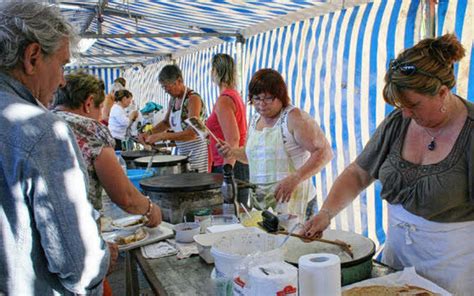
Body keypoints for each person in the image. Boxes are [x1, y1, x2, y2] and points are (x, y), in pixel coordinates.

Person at [302, 34, 474, 294]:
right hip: (397, 261)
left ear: (442, 92)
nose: (406, 113)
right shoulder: (399, 121)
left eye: (413, 105)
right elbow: (358, 173)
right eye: (401, 105)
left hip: (453, 271)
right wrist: (326, 213)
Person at [0, 2, 110, 294]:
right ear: (33, 57)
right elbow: (80, 265)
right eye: (62, 64)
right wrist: (104, 259)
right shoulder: (42, 131)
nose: (62, 79)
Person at [218, 69, 332, 222]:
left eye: (268, 99)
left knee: (296, 245)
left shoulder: (294, 118)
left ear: (280, 96)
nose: (261, 104)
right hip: (263, 206)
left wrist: (296, 178)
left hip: (296, 204)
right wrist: (232, 152)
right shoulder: (254, 121)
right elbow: (251, 156)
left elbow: (324, 152)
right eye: (256, 98)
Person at [52, 72, 162, 228]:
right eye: (101, 107)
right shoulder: (91, 129)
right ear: (89, 103)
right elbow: (125, 197)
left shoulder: (41, 121)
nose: (101, 115)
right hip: (79, 229)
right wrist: (151, 209)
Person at [139, 64, 208, 172]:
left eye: (167, 86)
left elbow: (192, 134)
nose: (165, 90)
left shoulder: (193, 99)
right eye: (163, 87)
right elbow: (166, 123)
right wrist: (149, 133)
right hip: (183, 152)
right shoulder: (173, 99)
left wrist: (163, 136)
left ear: (179, 81)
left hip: (198, 153)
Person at [206, 53, 250, 205]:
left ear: (216, 71)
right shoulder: (234, 95)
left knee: (231, 215)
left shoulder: (224, 99)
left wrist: (227, 172)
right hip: (236, 163)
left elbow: (233, 138)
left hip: (229, 165)